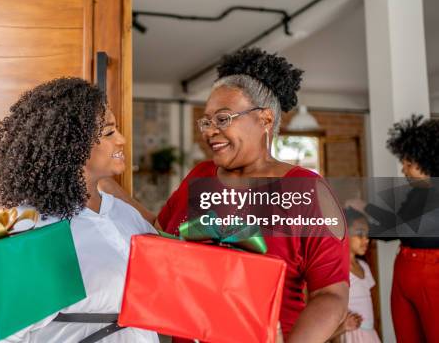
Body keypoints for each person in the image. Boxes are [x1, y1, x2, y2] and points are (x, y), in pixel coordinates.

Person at [101, 48, 349, 342]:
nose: (209, 132)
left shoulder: (308, 191)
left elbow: (331, 294)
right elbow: (159, 233)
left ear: (265, 120)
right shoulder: (201, 176)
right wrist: (102, 183)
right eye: (206, 122)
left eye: (223, 118)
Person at [0, 78, 158, 342]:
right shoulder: (28, 229)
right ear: (72, 144)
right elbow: (0, 335)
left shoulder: (125, 215)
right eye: (109, 132)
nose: (122, 140)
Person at [347, 115, 439, 342]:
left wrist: (362, 215)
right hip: (405, 266)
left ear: (427, 163)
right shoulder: (417, 192)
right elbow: (396, 225)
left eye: (408, 164)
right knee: (406, 334)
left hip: (431, 271)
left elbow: (397, 229)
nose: (404, 170)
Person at [331, 209, 381, 343]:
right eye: (359, 234)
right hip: (350, 335)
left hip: (369, 335)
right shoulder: (337, 270)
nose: (366, 239)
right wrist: (342, 328)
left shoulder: (364, 267)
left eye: (367, 234)